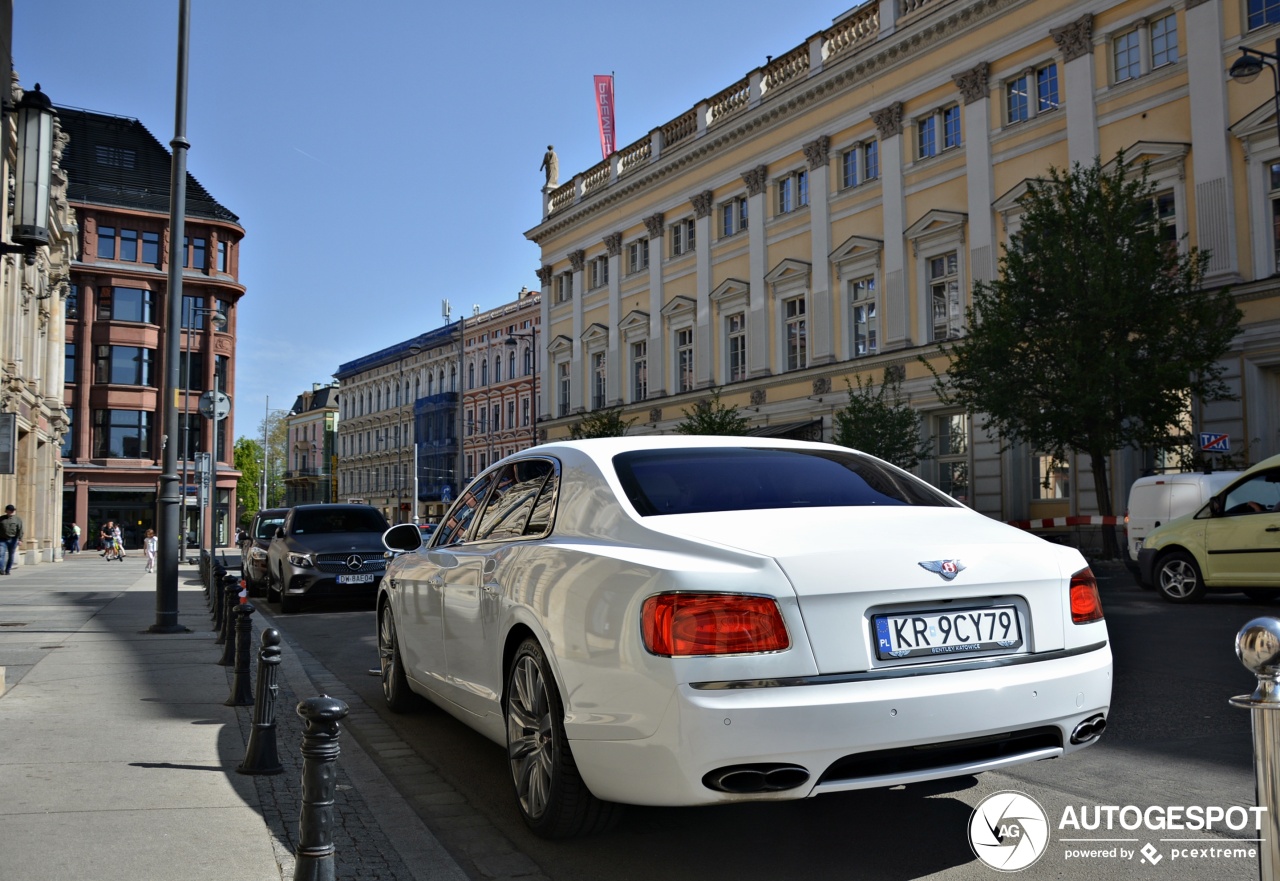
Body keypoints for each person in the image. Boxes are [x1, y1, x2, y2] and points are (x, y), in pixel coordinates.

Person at [0, 504, 23, 575]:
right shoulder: (1, 518)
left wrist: (20, 539)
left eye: (12, 510)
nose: (10, 512)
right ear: (6, 511)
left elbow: (20, 530)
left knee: (11, 555)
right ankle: (1, 569)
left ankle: (8, 570)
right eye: (9, 510)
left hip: (13, 539)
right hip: (2, 539)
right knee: (1, 554)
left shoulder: (17, 519)